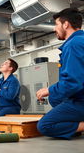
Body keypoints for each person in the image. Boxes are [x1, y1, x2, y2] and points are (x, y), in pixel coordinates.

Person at [36, 8, 84, 139]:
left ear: (66, 24)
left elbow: (73, 83)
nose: (54, 29)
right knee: (54, 98)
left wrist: (49, 89)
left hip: (81, 100)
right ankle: (74, 126)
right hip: (79, 95)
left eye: (56, 24)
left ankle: (78, 126)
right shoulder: (80, 40)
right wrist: (51, 91)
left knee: (44, 125)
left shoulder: (73, 44)